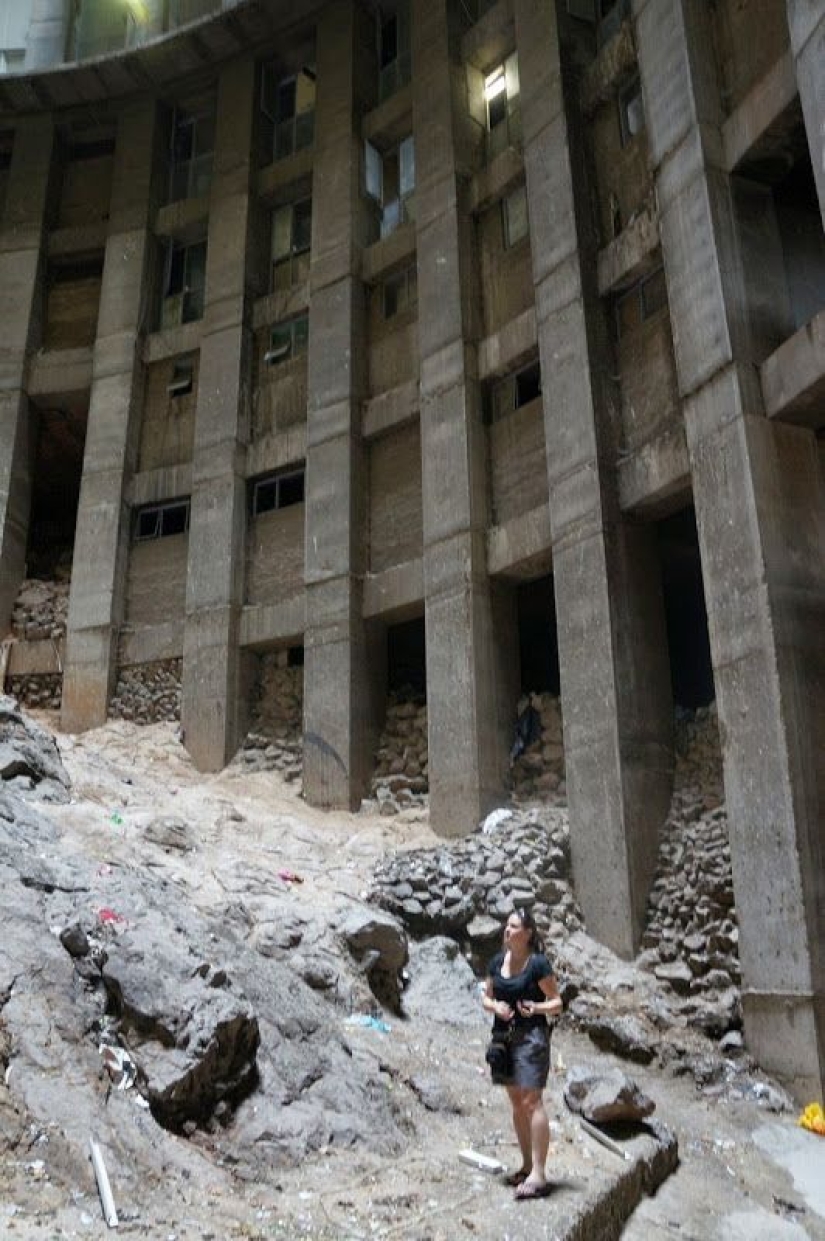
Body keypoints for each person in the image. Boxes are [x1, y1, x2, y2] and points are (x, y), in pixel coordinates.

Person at [482, 907, 562, 1199]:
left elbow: (557, 1002)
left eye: (514, 926)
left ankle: (539, 1174)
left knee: (532, 1101)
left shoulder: (537, 964)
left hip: (532, 1038)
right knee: (516, 1102)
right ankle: (527, 1165)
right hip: (504, 1038)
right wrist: (495, 1008)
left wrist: (536, 1007)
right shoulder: (496, 962)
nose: (507, 930)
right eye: (507, 925)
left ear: (527, 933)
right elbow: (486, 997)